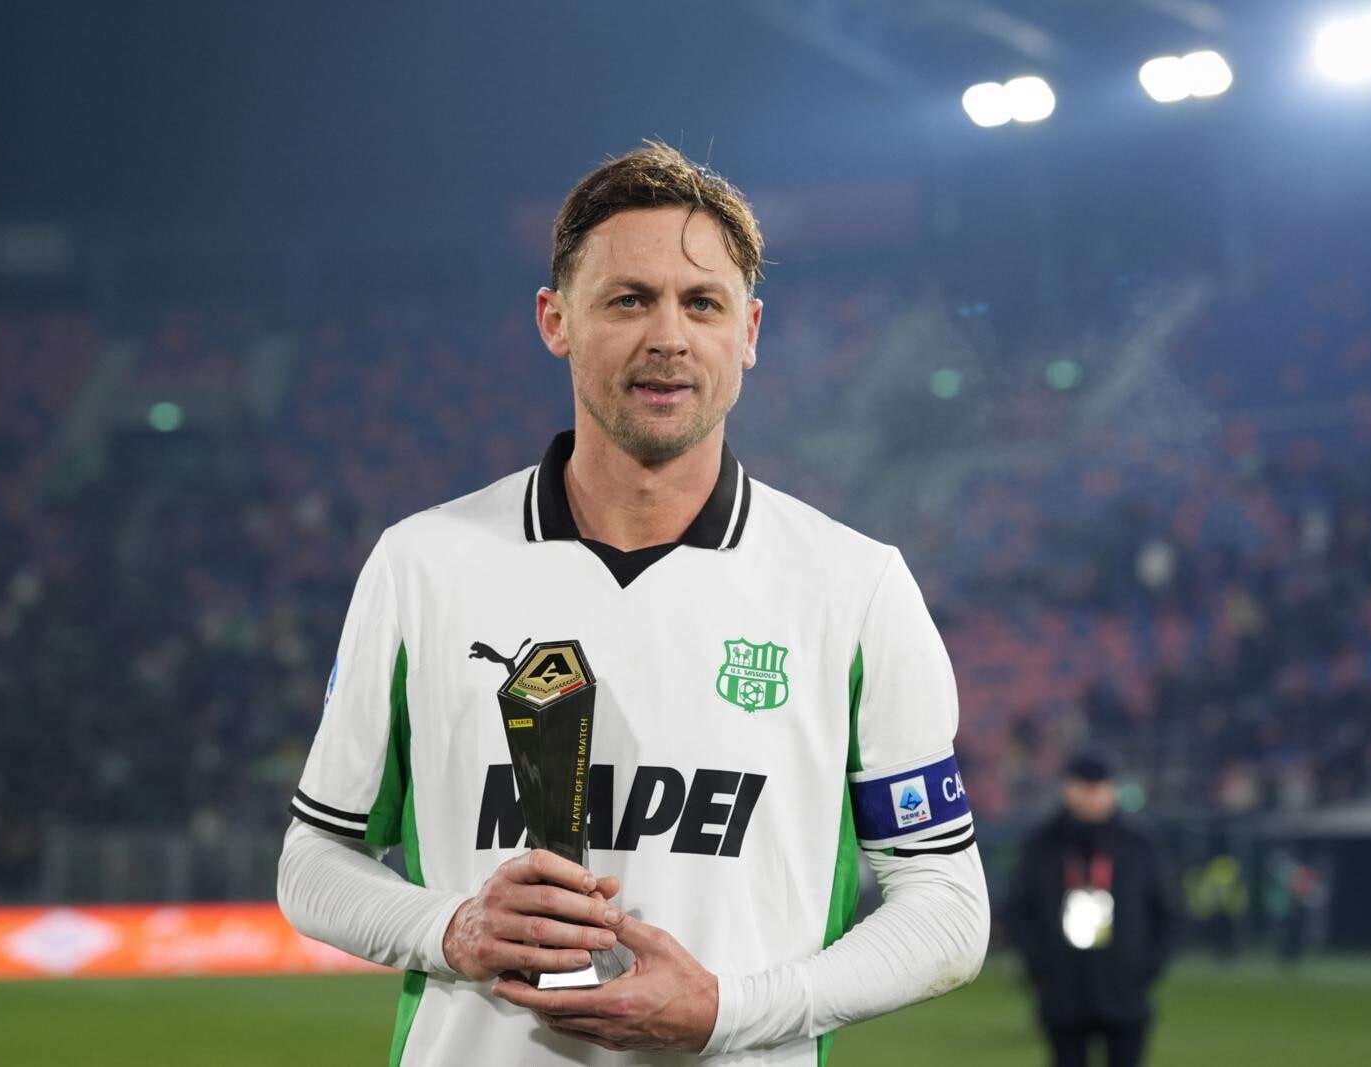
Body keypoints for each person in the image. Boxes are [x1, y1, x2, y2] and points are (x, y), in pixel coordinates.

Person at [276, 141, 990, 1065]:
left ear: (750, 332)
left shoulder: (856, 588)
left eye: (703, 303)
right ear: (555, 320)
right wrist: (452, 927)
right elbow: (314, 860)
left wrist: (731, 1009)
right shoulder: (423, 564)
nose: (669, 336)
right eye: (628, 299)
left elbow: (948, 905)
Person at [1006, 750, 1178, 1067]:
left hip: (1124, 988)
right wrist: (1040, 966)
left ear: (1112, 790)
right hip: (1064, 988)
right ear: (1067, 789)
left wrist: (1146, 967)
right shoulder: (1043, 844)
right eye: (1084, 787)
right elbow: (1018, 910)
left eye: (1099, 787)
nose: (1091, 796)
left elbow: (1166, 911)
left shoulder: (1137, 843)